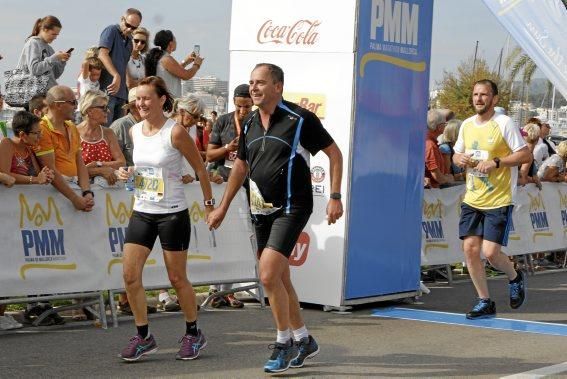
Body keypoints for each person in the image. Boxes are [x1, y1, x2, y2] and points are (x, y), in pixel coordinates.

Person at [207, 63, 344, 373]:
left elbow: (334, 154)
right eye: (251, 82)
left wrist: (335, 196)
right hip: (260, 209)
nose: (253, 88)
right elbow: (240, 166)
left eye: (260, 83)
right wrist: (223, 207)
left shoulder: (299, 119)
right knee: (280, 278)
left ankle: (283, 343)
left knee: (267, 275)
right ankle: (304, 339)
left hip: (293, 206)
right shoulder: (251, 121)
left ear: (278, 87)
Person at [116, 76, 213, 362]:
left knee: (176, 277)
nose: (141, 103)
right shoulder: (134, 131)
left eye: (147, 98)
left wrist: (210, 206)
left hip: (172, 213)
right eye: (138, 98)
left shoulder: (176, 132)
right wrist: (127, 173)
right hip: (143, 211)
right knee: (130, 276)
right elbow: (143, 169)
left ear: (162, 100)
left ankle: (193, 333)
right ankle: (144, 336)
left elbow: (201, 170)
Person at [453, 79, 530, 320]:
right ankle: (484, 300)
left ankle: (515, 276)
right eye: (475, 94)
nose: (478, 99)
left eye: (484, 95)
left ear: (494, 99)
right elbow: (456, 154)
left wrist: (497, 162)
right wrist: (460, 160)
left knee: (490, 253)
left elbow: (525, 153)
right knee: (470, 249)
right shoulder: (466, 125)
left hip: (499, 199)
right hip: (473, 197)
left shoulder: (504, 123)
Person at [205, 83, 253, 308]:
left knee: (241, 238)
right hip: (223, 183)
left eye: (246, 107)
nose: (243, 111)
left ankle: (230, 290)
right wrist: (227, 148)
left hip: (250, 188)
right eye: (239, 106)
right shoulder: (223, 121)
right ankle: (216, 288)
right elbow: (209, 154)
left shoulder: (258, 121)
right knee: (222, 237)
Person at [34, 85, 95, 212]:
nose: (76, 107)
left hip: (71, 193)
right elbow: (51, 170)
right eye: (73, 102)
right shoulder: (42, 129)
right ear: (58, 105)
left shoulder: (72, 126)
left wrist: (87, 192)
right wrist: (74, 198)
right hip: (53, 199)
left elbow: (80, 163)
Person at [98, 8, 142, 125]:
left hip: (122, 94)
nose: (129, 29)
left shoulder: (130, 40)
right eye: (128, 25)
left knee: (117, 134)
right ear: (122, 19)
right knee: (105, 130)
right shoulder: (111, 30)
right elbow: (102, 54)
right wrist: (115, 75)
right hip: (107, 91)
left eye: (134, 28)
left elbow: (123, 64)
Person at [76, 90, 126, 186]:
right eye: (103, 108)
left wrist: (98, 164)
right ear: (89, 110)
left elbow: (121, 163)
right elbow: (72, 169)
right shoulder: (74, 133)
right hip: (82, 190)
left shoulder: (108, 133)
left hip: (106, 192)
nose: (108, 110)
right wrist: (100, 171)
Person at [145, 30, 203, 98]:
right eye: (175, 40)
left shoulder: (160, 57)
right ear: (170, 43)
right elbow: (186, 75)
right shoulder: (166, 58)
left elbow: (173, 71)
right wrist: (197, 65)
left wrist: (186, 61)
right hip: (169, 101)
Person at [19, 15, 70, 93]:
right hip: (34, 95)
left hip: (47, 93)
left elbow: (55, 75)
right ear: (44, 29)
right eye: (53, 34)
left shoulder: (49, 49)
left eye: (57, 35)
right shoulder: (33, 43)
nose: (55, 37)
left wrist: (62, 61)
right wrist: (54, 58)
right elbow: (34, 69)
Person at [425, 109, 454, 188]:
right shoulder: (430, 144)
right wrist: (448, 179)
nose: (445, 126)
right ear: (439, 127)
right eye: (445, 124)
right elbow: (437, 176)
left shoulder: (430, 142)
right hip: (432, 193)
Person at [518, 123, 542, 189]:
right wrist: (534, 180)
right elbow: (523, 179)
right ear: (537, 139)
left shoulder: (517, 150)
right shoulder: (528, 154)